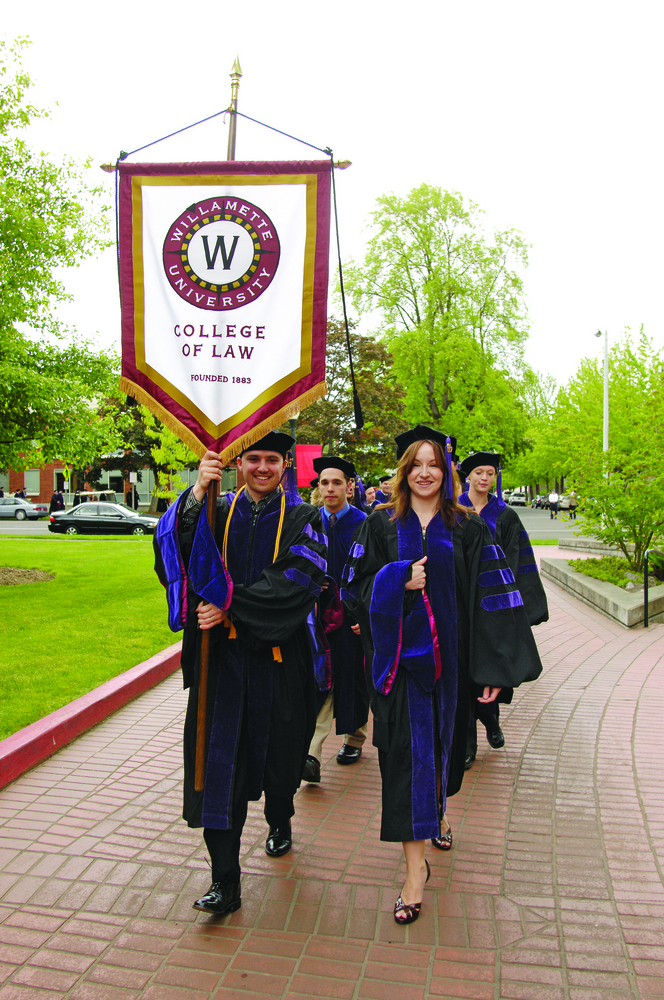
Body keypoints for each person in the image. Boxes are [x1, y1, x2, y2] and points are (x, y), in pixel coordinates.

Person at [346, 425, 542, 924]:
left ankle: (438, 810)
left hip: (453, 670)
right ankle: (415, 874)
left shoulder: (470, 527)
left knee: (445, 760)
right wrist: (398, 579)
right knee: (403, 761)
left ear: (446, 470)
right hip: (399, 671)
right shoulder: (380, 525)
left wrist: (494, 669)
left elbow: (491, 602)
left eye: (434, 464)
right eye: (417, 464)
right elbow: (354, 590)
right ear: (404, 471)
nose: (426, 472)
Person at [153, 431, 326, 917]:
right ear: (239, 463)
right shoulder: (215, 508)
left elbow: (297, 580)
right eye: (254, 459)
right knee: (218, 771)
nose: (263, 467)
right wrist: (194, 495)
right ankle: (225, 881)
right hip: (222, 667)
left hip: (279, 661)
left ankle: (280, 817)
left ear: (286, 464)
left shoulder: (303, 518)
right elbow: (177, 547)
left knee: (281, 761)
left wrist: (229, 606)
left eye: (273, 459)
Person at [458, 452, 549, 768]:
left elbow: (514, 560)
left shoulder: (505, 515)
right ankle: (467, 742)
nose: (485, 478)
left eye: (490, 473)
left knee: (489, 666)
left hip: (491, 602)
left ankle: (491, 720)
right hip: (460, 601)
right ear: (467, 475)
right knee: (464, 674)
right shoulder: (454, 510)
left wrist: (514, 606)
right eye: (479, 473)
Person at [303, 456, 369, 783]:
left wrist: (362, 612)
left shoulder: (364, 523)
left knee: (350, 676)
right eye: (324, 483)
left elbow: (372, 573)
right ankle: (312, 751)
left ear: (349, 487)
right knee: (321, 678)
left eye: (337, 482)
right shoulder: (310, 521)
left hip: (350, 613)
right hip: (315, 615)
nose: (330, 488)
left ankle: (355, 736)